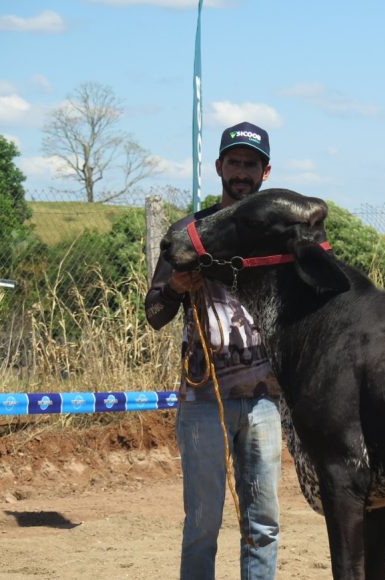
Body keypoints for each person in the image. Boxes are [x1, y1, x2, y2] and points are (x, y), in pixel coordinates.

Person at [145, 121, 282, 580]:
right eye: (234, 162)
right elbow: (154, 314)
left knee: (263, 525)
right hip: (204, 401)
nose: (242, 172)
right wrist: (176, 287)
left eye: (251, 164)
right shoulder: (190, 232)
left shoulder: (277, 236)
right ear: (219, 166)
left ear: (265, 172)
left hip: (265, 401)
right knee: (202, 526)